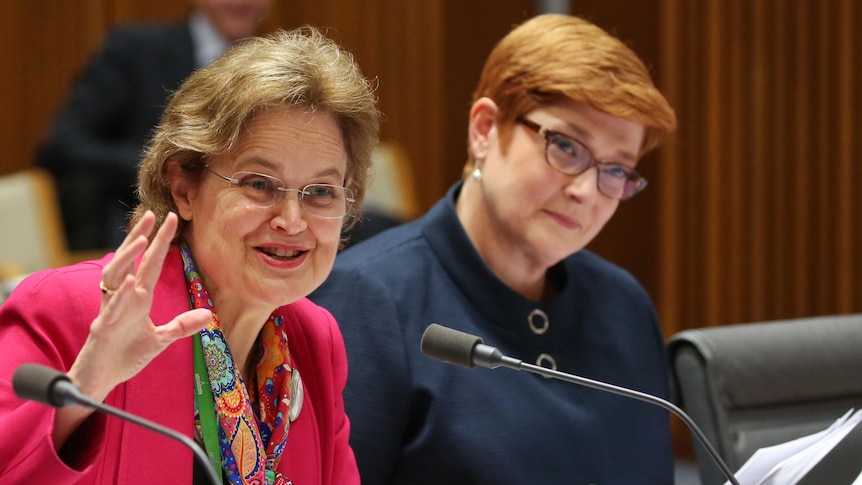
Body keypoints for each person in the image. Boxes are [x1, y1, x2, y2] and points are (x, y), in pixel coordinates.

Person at [0, 26, 379, 485]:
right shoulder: (73, 309)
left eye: (320, 191)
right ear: (184, 189)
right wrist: (81, 395)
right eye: (259, 184)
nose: (292, 220)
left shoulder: (314, 340)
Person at [310, 13, 678, 485]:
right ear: (484, 130)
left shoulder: (623, 304)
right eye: (567, 147)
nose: (587, 190)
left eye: (616, 170)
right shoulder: (365, 303)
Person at [37, 0, 273, 251]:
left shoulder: (274, 67)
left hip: (249, 235)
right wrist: (161, 166)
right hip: (139, 232)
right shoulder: (136, 50)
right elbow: (63, 145)